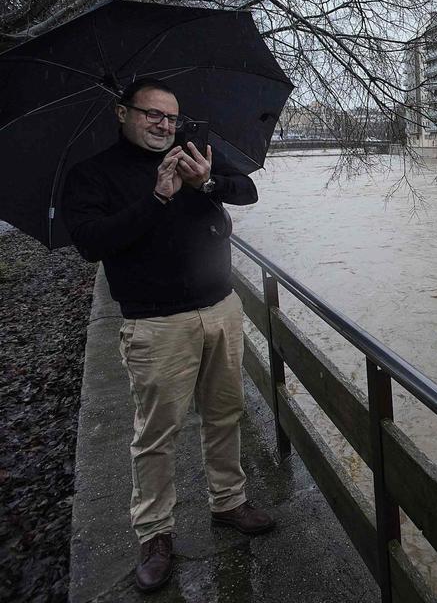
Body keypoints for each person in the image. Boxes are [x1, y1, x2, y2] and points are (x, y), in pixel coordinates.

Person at [61, 79, 274, 594]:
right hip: (155, 324)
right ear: (122, 113)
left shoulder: (195, 153)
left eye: (171, 117)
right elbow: (91, 243)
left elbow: (247, 190)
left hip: (220, 309)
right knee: (156, 436)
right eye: (152, 114)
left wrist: (206, 184)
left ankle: (229, 502)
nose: (163, 124)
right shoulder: (93, 174)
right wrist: (157, 198)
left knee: (226, 415)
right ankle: (156, 534)